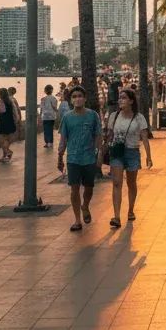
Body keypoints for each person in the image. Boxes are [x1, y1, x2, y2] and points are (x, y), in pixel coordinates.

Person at [57, 86, 103, 232]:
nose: (77, 99)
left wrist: (99, 153)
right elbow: (63, 139)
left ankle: (85, 206)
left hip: (89, 158)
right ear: (71, 100)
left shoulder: (93, 115)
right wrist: (60, 156)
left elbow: (98, 135)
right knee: (74, 189)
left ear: (85, 98)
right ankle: (77, 220)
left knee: (89, 188)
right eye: (74, 96)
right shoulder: (67, 117)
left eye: (80, 96)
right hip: (73, 159)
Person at [105, 88, 152, 227]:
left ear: (131, 101)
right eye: (120, 97)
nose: (120, 100)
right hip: (117, 152)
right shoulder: (114, 115)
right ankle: (116, 216)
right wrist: (103, 152)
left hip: (132, 152)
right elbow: (109, 135)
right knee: (117, 183)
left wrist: (149, 157)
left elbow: (144, 138)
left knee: (131, 183)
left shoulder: (139, 117)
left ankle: (130, 210)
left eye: (124, 98)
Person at [0, 87, 16, 161]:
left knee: (3, 140)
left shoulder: (0, 102)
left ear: (0, 95)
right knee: (6, 139)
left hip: (3, 123)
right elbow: (14, 112)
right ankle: (5, 156)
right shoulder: (10, 102)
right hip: (10, 122)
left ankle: (8, 152)